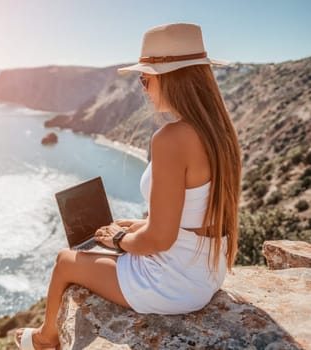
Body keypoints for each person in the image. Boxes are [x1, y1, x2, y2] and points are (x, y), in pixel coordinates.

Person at [15, 22, 242, 350]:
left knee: (66, 261)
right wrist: (132, 226)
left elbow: (159, 239)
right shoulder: (219, 132)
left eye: (145, 78)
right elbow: (189, 218)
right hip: (206, 273)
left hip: (173, 284)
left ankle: (45, 338)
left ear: (169, 79)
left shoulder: (171, 139)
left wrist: (121, 240)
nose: (142, 88)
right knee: (99, 244)